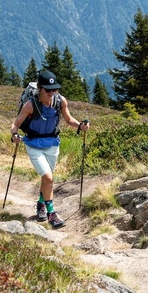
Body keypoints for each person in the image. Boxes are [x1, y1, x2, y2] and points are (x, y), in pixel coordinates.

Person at [11, 70, 89, 229]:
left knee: (47, 180)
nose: (52, 92)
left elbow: (68, 119)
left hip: (53, 144)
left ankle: (41, 204)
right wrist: (14, 135)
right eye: (48, 89)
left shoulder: (60, 101)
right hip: (33, 144)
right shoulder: (31, 104)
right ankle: (51, 214)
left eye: (54, 89)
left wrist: (80, 126)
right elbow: (16, 123)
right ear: (40, 88)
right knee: (48, 178)